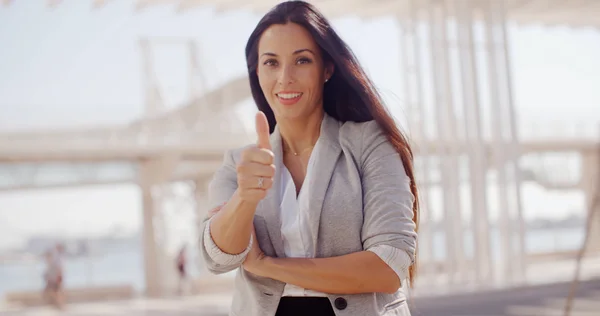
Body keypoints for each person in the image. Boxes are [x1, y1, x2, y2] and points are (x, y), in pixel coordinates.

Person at [200, 1, 419, 315]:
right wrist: (245, 198)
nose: (285, 77)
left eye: (302, 60)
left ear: (327, 68)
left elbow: (387, 266)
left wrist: (267, 265)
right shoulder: (240, 163)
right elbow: (218, 258)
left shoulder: (370, 143)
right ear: (257, 72)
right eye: (271, 63)